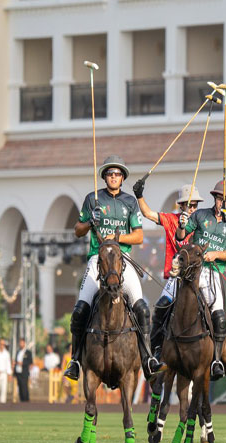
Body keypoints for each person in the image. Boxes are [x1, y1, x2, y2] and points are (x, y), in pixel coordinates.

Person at [63, 155, 161, 382]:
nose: (113, 177)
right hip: (97, 261)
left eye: (117, 174)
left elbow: (139, 236)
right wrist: (90, 222)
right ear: (105, 177)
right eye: (110, 174)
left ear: (122, 177)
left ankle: (147, 358)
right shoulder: (92, 199)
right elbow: (77, 230)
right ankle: (75, 360)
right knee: (80, 310)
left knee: (142, 308)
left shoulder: (129, 201)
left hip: (122, 261)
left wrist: (114, 237)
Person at [174, 179, 226, 379]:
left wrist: (216, 255)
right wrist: (182, 225)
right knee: (166, 303)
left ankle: (217, 361)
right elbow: (180, 236)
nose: (222, 203)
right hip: (192, 271)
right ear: (215, 199)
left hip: (213, 272)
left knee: (219, 316)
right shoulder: (201, 215)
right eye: (219, 198)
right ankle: (160, 350)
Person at [134, 180, 201, 370]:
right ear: (181, 206)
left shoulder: (201, 222)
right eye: (189, 205)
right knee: (161, 308)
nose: (193, 208)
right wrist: (139, 196)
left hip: (197, 276)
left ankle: (217, 354)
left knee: (213, 307)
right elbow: (147, 213)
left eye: (195, 205)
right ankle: (155, 352)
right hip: (176, 277)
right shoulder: (171, 219)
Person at [14, 338, 32, 402]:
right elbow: (16, 361)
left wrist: (22, 363)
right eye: (20, 343)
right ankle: (21, 400)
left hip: (24, 372)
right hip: (18, 372)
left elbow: (30, 362)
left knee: (24, 386)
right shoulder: (18, 352)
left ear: (24, 343)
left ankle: (26, 400)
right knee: (20, 387)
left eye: (22, 343)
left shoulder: (28, 352)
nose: (21, 344)